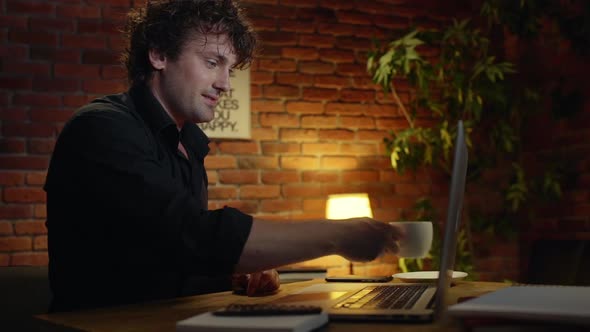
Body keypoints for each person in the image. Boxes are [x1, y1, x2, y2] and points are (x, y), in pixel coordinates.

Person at [44, 0, 404, 312]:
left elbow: (167, 257)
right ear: (158, 55)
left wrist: (232, 272)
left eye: (229, 69)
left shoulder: (190, 143)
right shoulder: (100, 129)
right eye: (212, 62)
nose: (226, 83)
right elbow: (189, 236)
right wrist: (338, 235)